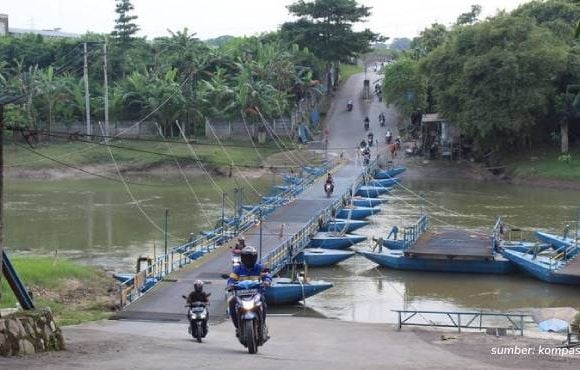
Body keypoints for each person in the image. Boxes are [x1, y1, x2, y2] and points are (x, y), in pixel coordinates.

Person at [227, 246, 272, 333]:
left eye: (251, 257)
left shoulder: (260, 268)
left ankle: (262, 325)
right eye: (246, 257)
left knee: (263, 301)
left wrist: (266, 281)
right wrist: (230, 285)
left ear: (255, 258)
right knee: (231, 302)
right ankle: (237, 327)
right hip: (240, 295)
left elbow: (267, 275)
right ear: (243, 258)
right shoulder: (237, 269)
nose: (248, 259)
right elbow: (231, 279)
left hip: (256, 294)